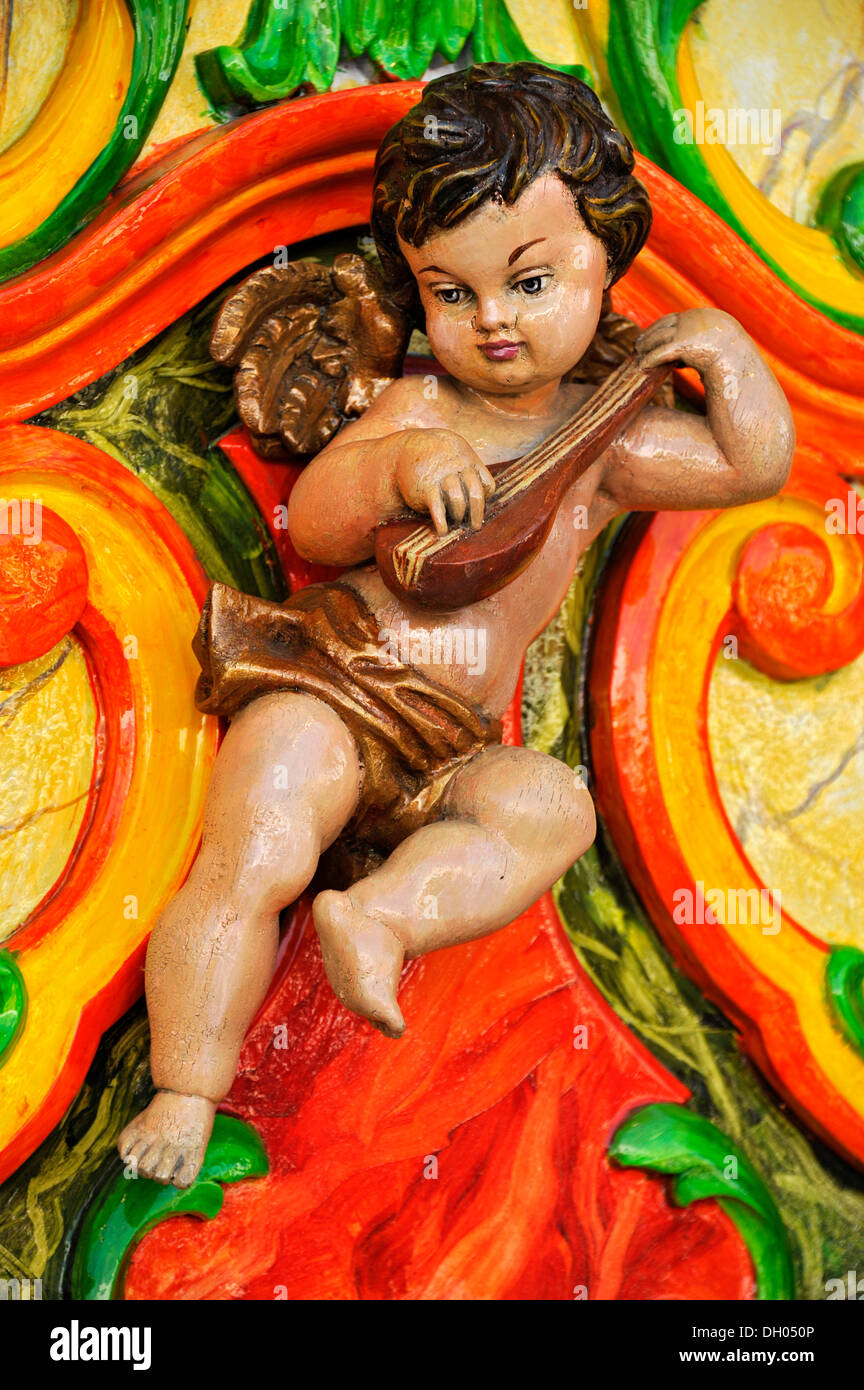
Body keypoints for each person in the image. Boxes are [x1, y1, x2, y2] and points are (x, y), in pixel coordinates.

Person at [119, 63, 794, 1187]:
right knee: (259, 840)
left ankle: (380, 916)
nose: (493, 323)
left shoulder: (603, 445)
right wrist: (405, 463)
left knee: (552, 807)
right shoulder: (422, 403)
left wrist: (720, 346)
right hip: (336, 684)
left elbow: (749, 462)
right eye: (453, 291)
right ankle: (186, 1085)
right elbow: (325, 522)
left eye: (532, 283)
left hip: (455, 747)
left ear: (607, 261)